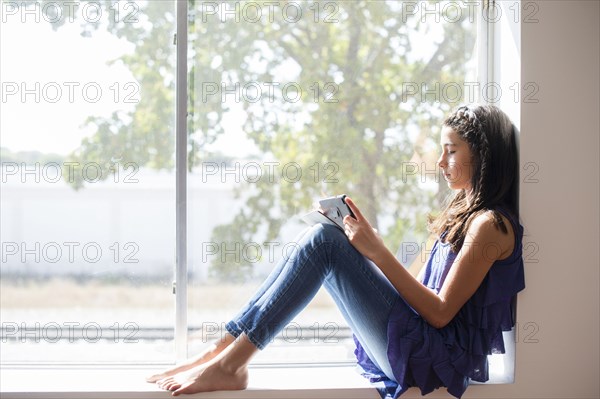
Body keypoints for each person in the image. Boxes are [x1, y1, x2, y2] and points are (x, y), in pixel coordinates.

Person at [146, 104, 525, 398]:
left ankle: (231, 363)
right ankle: (223, 351)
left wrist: (375, 252)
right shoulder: (458, 215)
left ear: (483, 156)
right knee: (326, 239)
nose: (441, 163)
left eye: (451, 151)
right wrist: (364, 248)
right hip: (415, 336)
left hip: (431, 356)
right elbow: (412, 289)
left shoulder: (490, 225)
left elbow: (441, 313)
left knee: (323, 244)